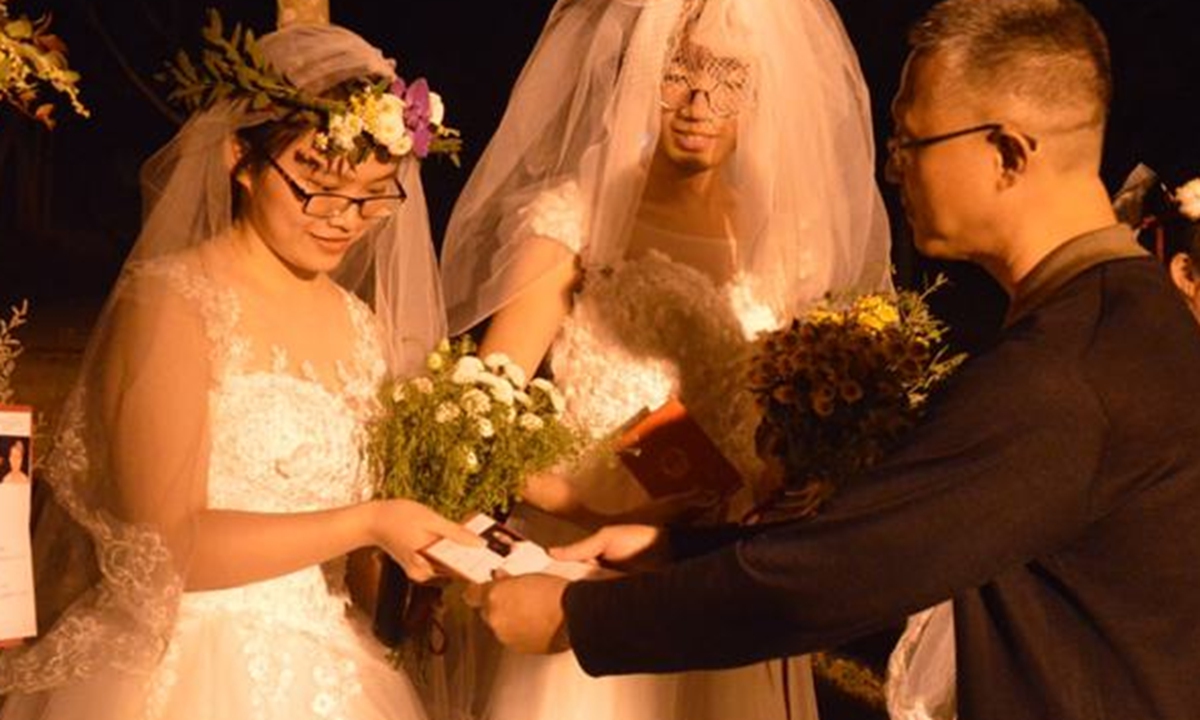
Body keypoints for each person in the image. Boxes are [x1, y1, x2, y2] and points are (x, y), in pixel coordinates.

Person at [464, 2, 1200, 719]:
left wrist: (580, 617)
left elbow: (849, 572)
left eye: (912, 143)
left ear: (1006, 151)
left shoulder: (1062, 372)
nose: (892, 170)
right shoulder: (1121, 320)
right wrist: (679, 547)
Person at [0, 21, 480, 720]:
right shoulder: (173, 303)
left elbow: (348, 549)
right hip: (185, 663)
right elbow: (164, 551)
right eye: (316, 185)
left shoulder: (358, 324)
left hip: (332, 666)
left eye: (373, 195)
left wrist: (412, 574)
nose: (343, 220)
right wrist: (369, 522)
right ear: (241, 160)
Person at [440, 0, 891, 719]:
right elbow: (480, 424)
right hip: (597, 565)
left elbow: (805, 420)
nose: (698, 104)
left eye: (728, 81)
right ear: (638, 74)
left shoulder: (790, 239)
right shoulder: (574, 221)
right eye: (677, 75)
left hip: (726, 572)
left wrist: (806, 482)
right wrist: (594, 505)